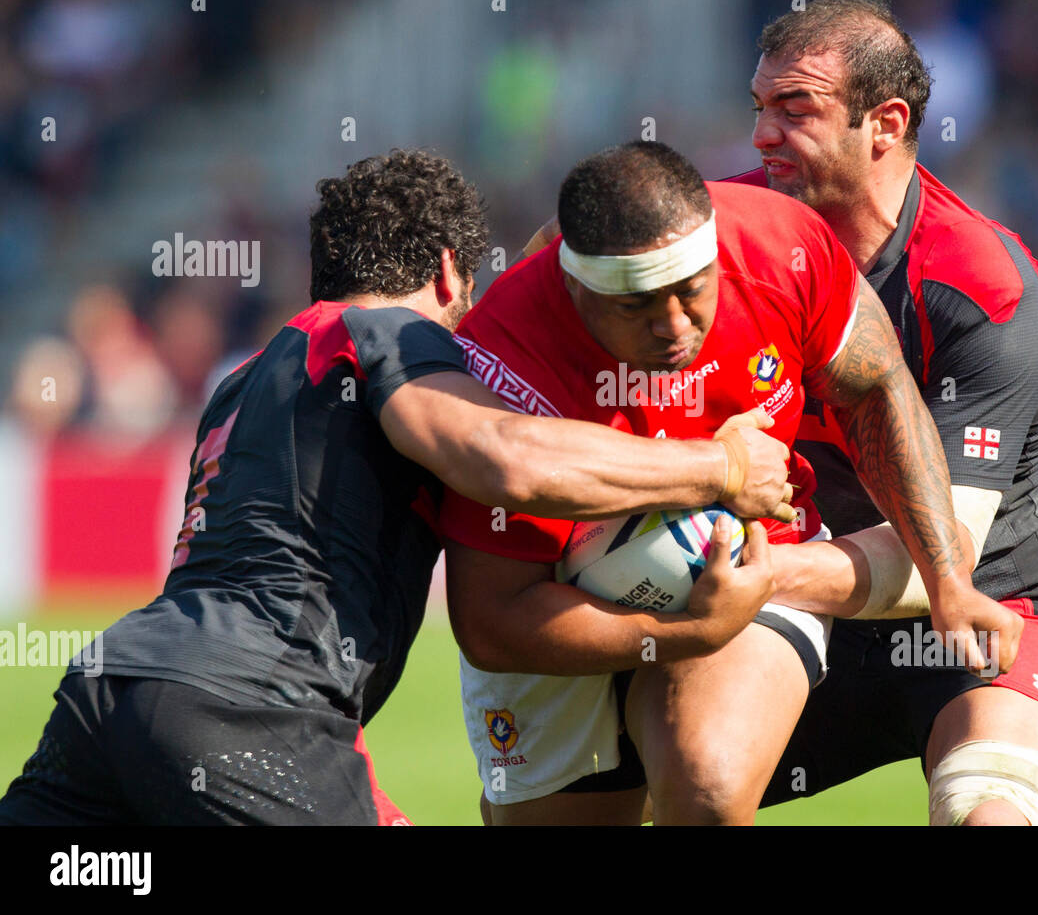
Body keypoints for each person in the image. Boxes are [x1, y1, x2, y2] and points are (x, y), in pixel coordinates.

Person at [0, 149, 795, 826]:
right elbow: (506, 459)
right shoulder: (387, 331)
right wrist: (719, 467)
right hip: (251, 707)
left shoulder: (247, 377)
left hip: (112, 690)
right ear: (450, 271)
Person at [440, 140, 1021, 825]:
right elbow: (493, 621)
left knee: (707, 789)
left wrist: (947, 576)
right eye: (639, 306)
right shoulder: (495, 365)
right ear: (575, 285)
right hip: (553, 602)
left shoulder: (780, 243)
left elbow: (876, 388)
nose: (676, 326)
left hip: (750, 556)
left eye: (693, 290)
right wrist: (686, 628)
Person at [729, 0, 1038, 826]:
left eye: (795, 110)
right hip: (808, 608)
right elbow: (571, 265)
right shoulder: (722, 232)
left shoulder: (978, 282)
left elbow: (947, 554)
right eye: (757, 107)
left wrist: (749, 577)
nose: (760, 136)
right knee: (635, 790)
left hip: (989, 610)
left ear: (885, 123)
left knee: (990, 813)